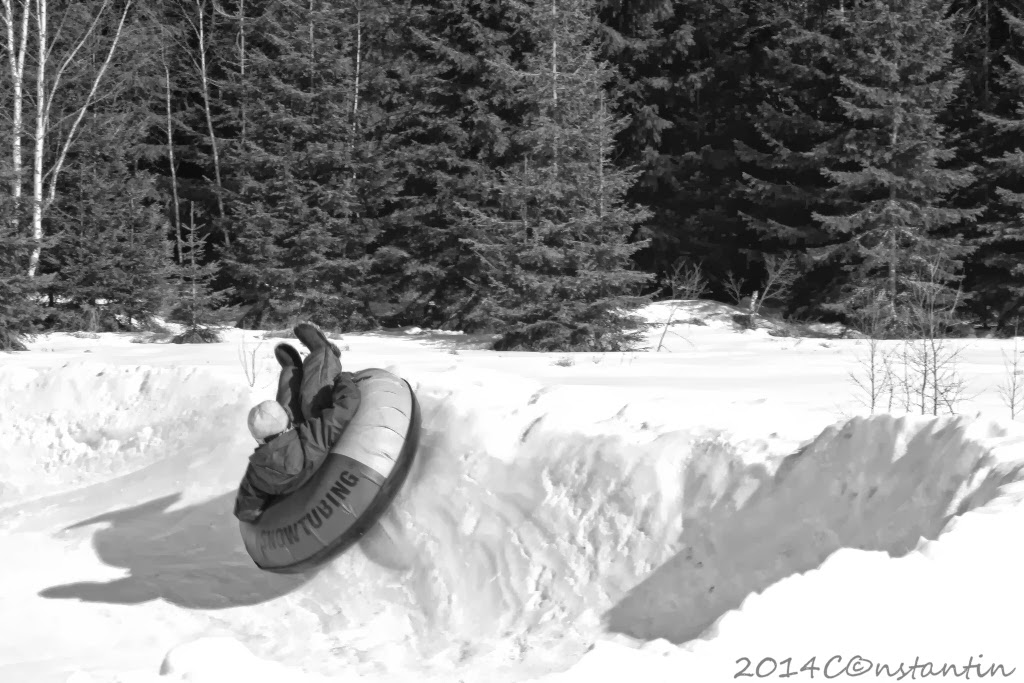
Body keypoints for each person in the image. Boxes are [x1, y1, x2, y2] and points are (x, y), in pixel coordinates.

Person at [233, 322, 362, 523]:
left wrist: (260, 516)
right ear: (286, 427)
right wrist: (343, 380)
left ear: (258, 438)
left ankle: (292, 369)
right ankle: (324, 353)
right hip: (314, 455)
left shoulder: (257, 471)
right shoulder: (312, 438)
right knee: (311, 402)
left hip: (295, 456)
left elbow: (245, 510)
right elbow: (346, 406)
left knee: (288, 406)